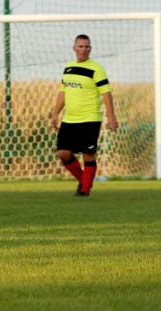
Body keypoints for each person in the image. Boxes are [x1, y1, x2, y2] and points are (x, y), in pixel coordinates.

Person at [48, 35, 119, 197]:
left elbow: (106, 93)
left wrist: (111, 116)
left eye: (87, 47)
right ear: (74, 48)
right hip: (70, 119)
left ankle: (84, 190)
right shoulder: (68, 67)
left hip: (90, 118)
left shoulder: (97, 68)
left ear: (90, 49)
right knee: (63, 153)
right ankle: (85, 181)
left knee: (88, 155)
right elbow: (63, 92)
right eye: (80, 46)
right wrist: (55, 113)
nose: (83, 50)